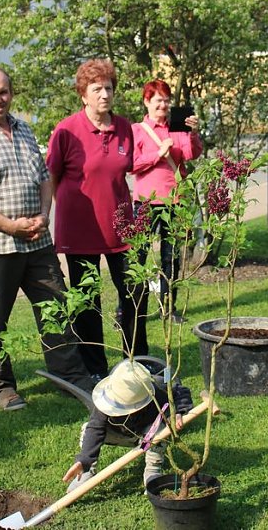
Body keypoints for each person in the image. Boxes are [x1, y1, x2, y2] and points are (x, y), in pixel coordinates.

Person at [0, 67, 95, 412]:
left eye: (3, 92)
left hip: (37, 243)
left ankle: (69, 374)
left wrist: (45, 215)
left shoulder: (24, 130)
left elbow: (45, 178)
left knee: (56, 308)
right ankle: (1, 388)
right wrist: (10, 226)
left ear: (11, 93)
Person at [46, 59, 148, 380]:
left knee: (136, 291)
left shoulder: (124, 128)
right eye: (97, 89)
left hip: (121, 231)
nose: (105, 94)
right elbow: (51, 176)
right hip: (80, 232)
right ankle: (95, 368)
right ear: (83, 96)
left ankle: (137, 359)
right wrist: (56, 215)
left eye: (109, 88)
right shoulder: (66, 131)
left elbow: (126, 171)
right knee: (88, 301)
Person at [131, 79, 202, 323]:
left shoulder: (178, 126)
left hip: (174, 200)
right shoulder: (137, 130)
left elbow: (191, 154)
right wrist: (157, 154)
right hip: (145, 202)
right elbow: (131, 164)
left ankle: (168, 308)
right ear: (147, 102)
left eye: (166, 99)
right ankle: (134, 307)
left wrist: (193, 133)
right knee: (138, 255)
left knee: (171, 257)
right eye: (157, 100)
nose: (163, 104)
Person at [62, 359, 193, 490]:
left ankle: (152, 471)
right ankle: (87, 471)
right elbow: (95, 429)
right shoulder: (107, 401)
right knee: (87, 429)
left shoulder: (157, 391)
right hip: (117, 434)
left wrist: (178, 411)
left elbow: (179, 391)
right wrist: (84, 460)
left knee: (161, 429)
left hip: (146, 436)